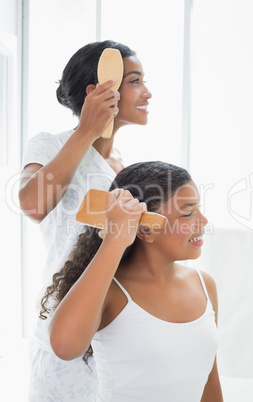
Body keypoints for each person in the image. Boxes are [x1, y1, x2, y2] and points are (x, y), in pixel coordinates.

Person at [19, 40, 152, 401]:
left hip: (114, 331)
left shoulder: (127, 171)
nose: (148, 92)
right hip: (64, 324)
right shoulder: (49, 145)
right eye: (135, 80)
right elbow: (32, 205)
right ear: (98, 91)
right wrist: (86, 131)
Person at [40, 161, 224, 402]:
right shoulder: (111, 291)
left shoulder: (204, 285)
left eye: (198, 208)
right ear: (146, 228)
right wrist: (115, 239)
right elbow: (64, 347)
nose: (204, 221)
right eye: (189, 212)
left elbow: (209, 378)